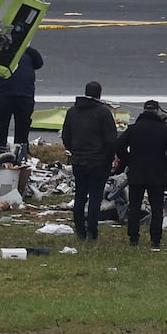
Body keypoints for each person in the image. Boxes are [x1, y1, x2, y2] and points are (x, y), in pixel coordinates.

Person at [114, 99, 167, 250]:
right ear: (157, 112)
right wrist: (165, 166)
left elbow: (119, 146)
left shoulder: (134, 129)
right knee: (157, 208)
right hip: (157, 174)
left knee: (134, 206)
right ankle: (155, 240)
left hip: (136, 172)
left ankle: (133, 237)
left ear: (143, 111)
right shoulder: (163, 130)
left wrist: (128, 161)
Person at [61, 81, 118, 241]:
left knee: (80, 195)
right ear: (99, 95)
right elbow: (111, 139)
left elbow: (66, 136)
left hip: (79, 160)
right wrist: (109, 156)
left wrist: (75, 151)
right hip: (99, 162)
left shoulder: (72, 112)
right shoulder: (103, 113)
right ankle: (92, 231)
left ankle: (80, 229)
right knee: (95, 197)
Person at [0, 46, 43, 161]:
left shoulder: (27, 52)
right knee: (0, 125)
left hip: (21, 95)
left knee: (23, 125)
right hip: (5, 95)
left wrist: (28, 49)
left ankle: (21, 151)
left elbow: (39, 63)